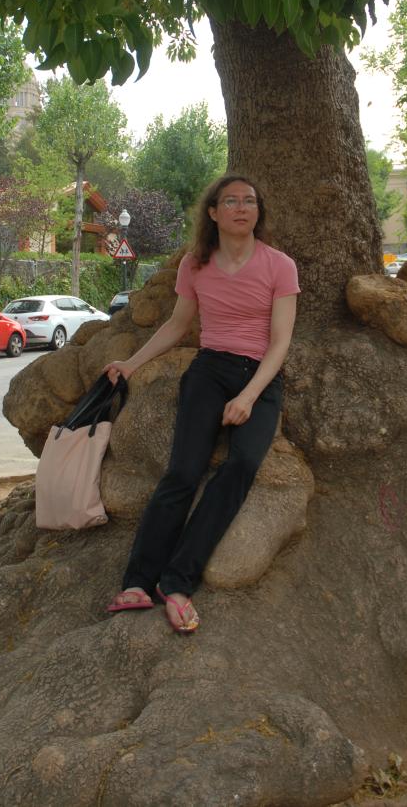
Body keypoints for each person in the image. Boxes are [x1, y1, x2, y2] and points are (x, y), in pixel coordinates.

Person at [104, 174, 300, 633]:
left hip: (260, 376)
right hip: (209, 371)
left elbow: (280, 342)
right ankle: (137, 581)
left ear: (258, 211)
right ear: (213, 212)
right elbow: (176, 326)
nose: (241, 208)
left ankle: (177, 583)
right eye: (230, 201)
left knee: (241, 465)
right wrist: (130, 364)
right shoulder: (196, 266)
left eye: (249, 201)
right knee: (183, 472)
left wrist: (249, 397)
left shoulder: (279, 266)